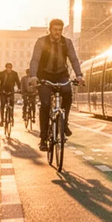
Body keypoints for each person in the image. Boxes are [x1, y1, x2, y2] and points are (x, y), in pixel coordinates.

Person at [30, 19, 84, 151]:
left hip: (61, 75)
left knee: (67, 94)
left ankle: (64, 123)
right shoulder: (41, 42)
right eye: (55, 30)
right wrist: (33, 76)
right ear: (50, 29)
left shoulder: (67, 42)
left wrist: (79, 75)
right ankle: (43, 138)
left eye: (60, 30)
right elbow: (35, 60)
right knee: (46, 105)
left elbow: (74, 59)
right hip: (44, 76)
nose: (58, 33)